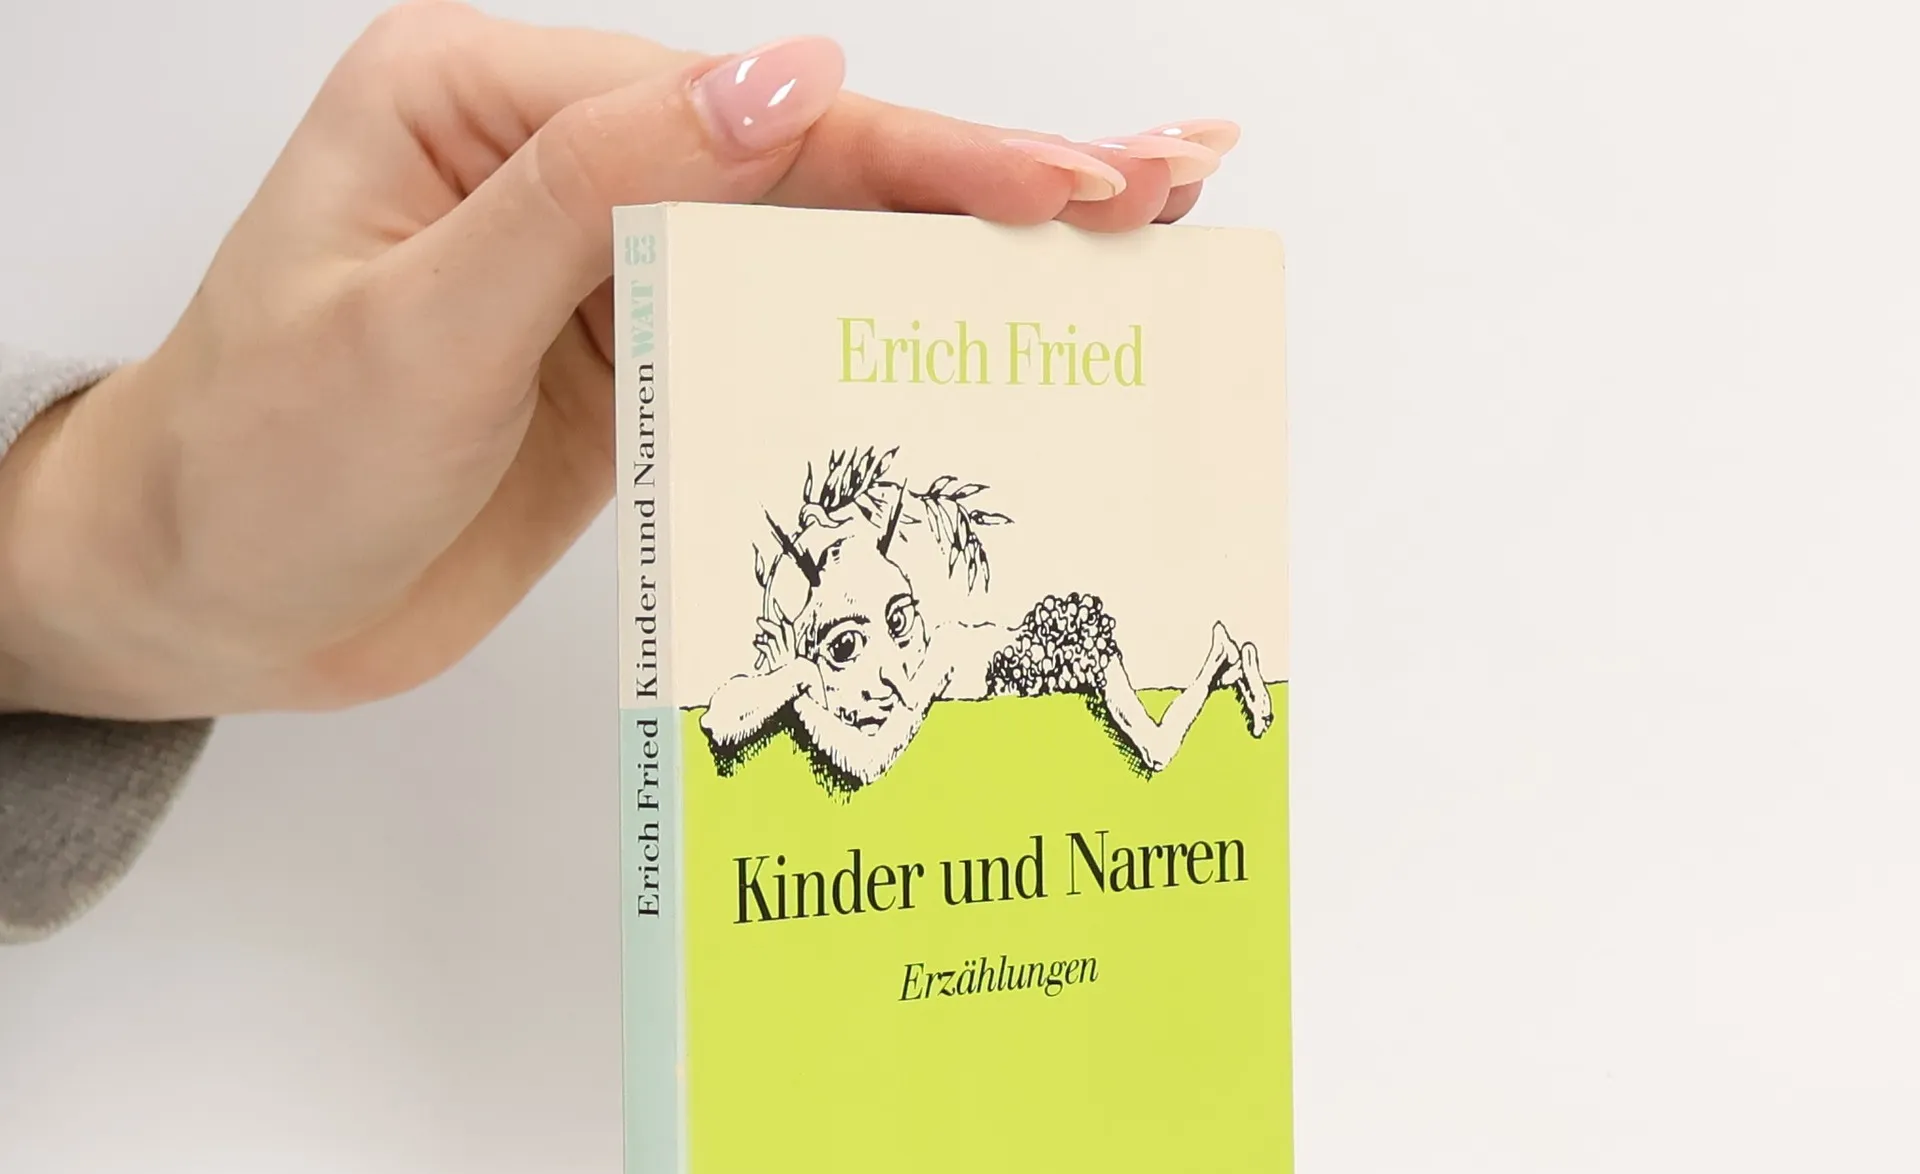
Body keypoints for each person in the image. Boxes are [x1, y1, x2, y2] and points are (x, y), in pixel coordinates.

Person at [0, 6, 1240, 942]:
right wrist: (123, 551)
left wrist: (112, 562)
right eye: (840, 641)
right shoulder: (808, 688)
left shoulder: (985, 661)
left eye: (888, 630)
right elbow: (752, 716)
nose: (867, 671)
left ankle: (1215, 674)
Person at [703, 449, 1273, 785]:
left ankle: (1218, 660)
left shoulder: (941, 659)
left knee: (1156, 750)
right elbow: (719, 720)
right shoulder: (918, 657)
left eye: (898, 623)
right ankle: (1225, 659)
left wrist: (800, 686)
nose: (887, 677)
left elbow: (870, 762)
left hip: (1070, 650)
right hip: (1045, 644)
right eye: (847, 648)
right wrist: (796, 678)